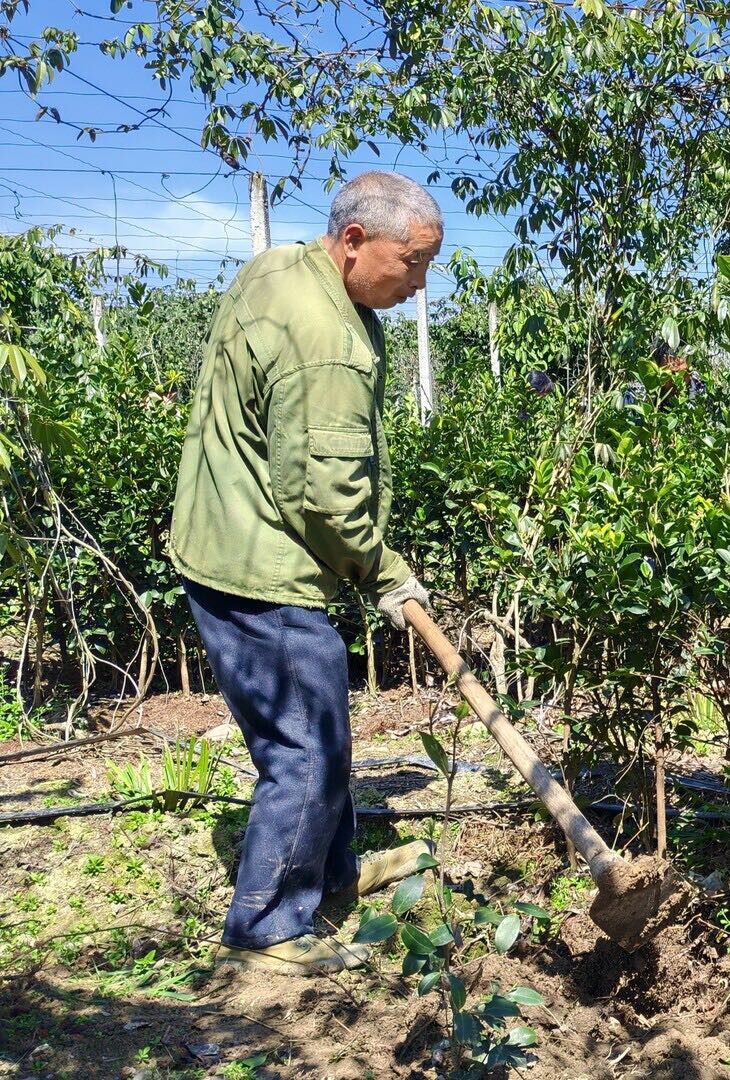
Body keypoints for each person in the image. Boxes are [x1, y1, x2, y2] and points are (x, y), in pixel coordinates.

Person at [169, 171, 443, 975]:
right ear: (354, 242)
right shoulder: (327, 342)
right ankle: (268, 926)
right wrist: (386, 573)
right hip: (263, 568)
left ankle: (329, 878)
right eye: (413, 263)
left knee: (318, 722)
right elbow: (324, 495)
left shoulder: (282, 268)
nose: (420, 283)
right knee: (307, 749)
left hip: (227, 537)